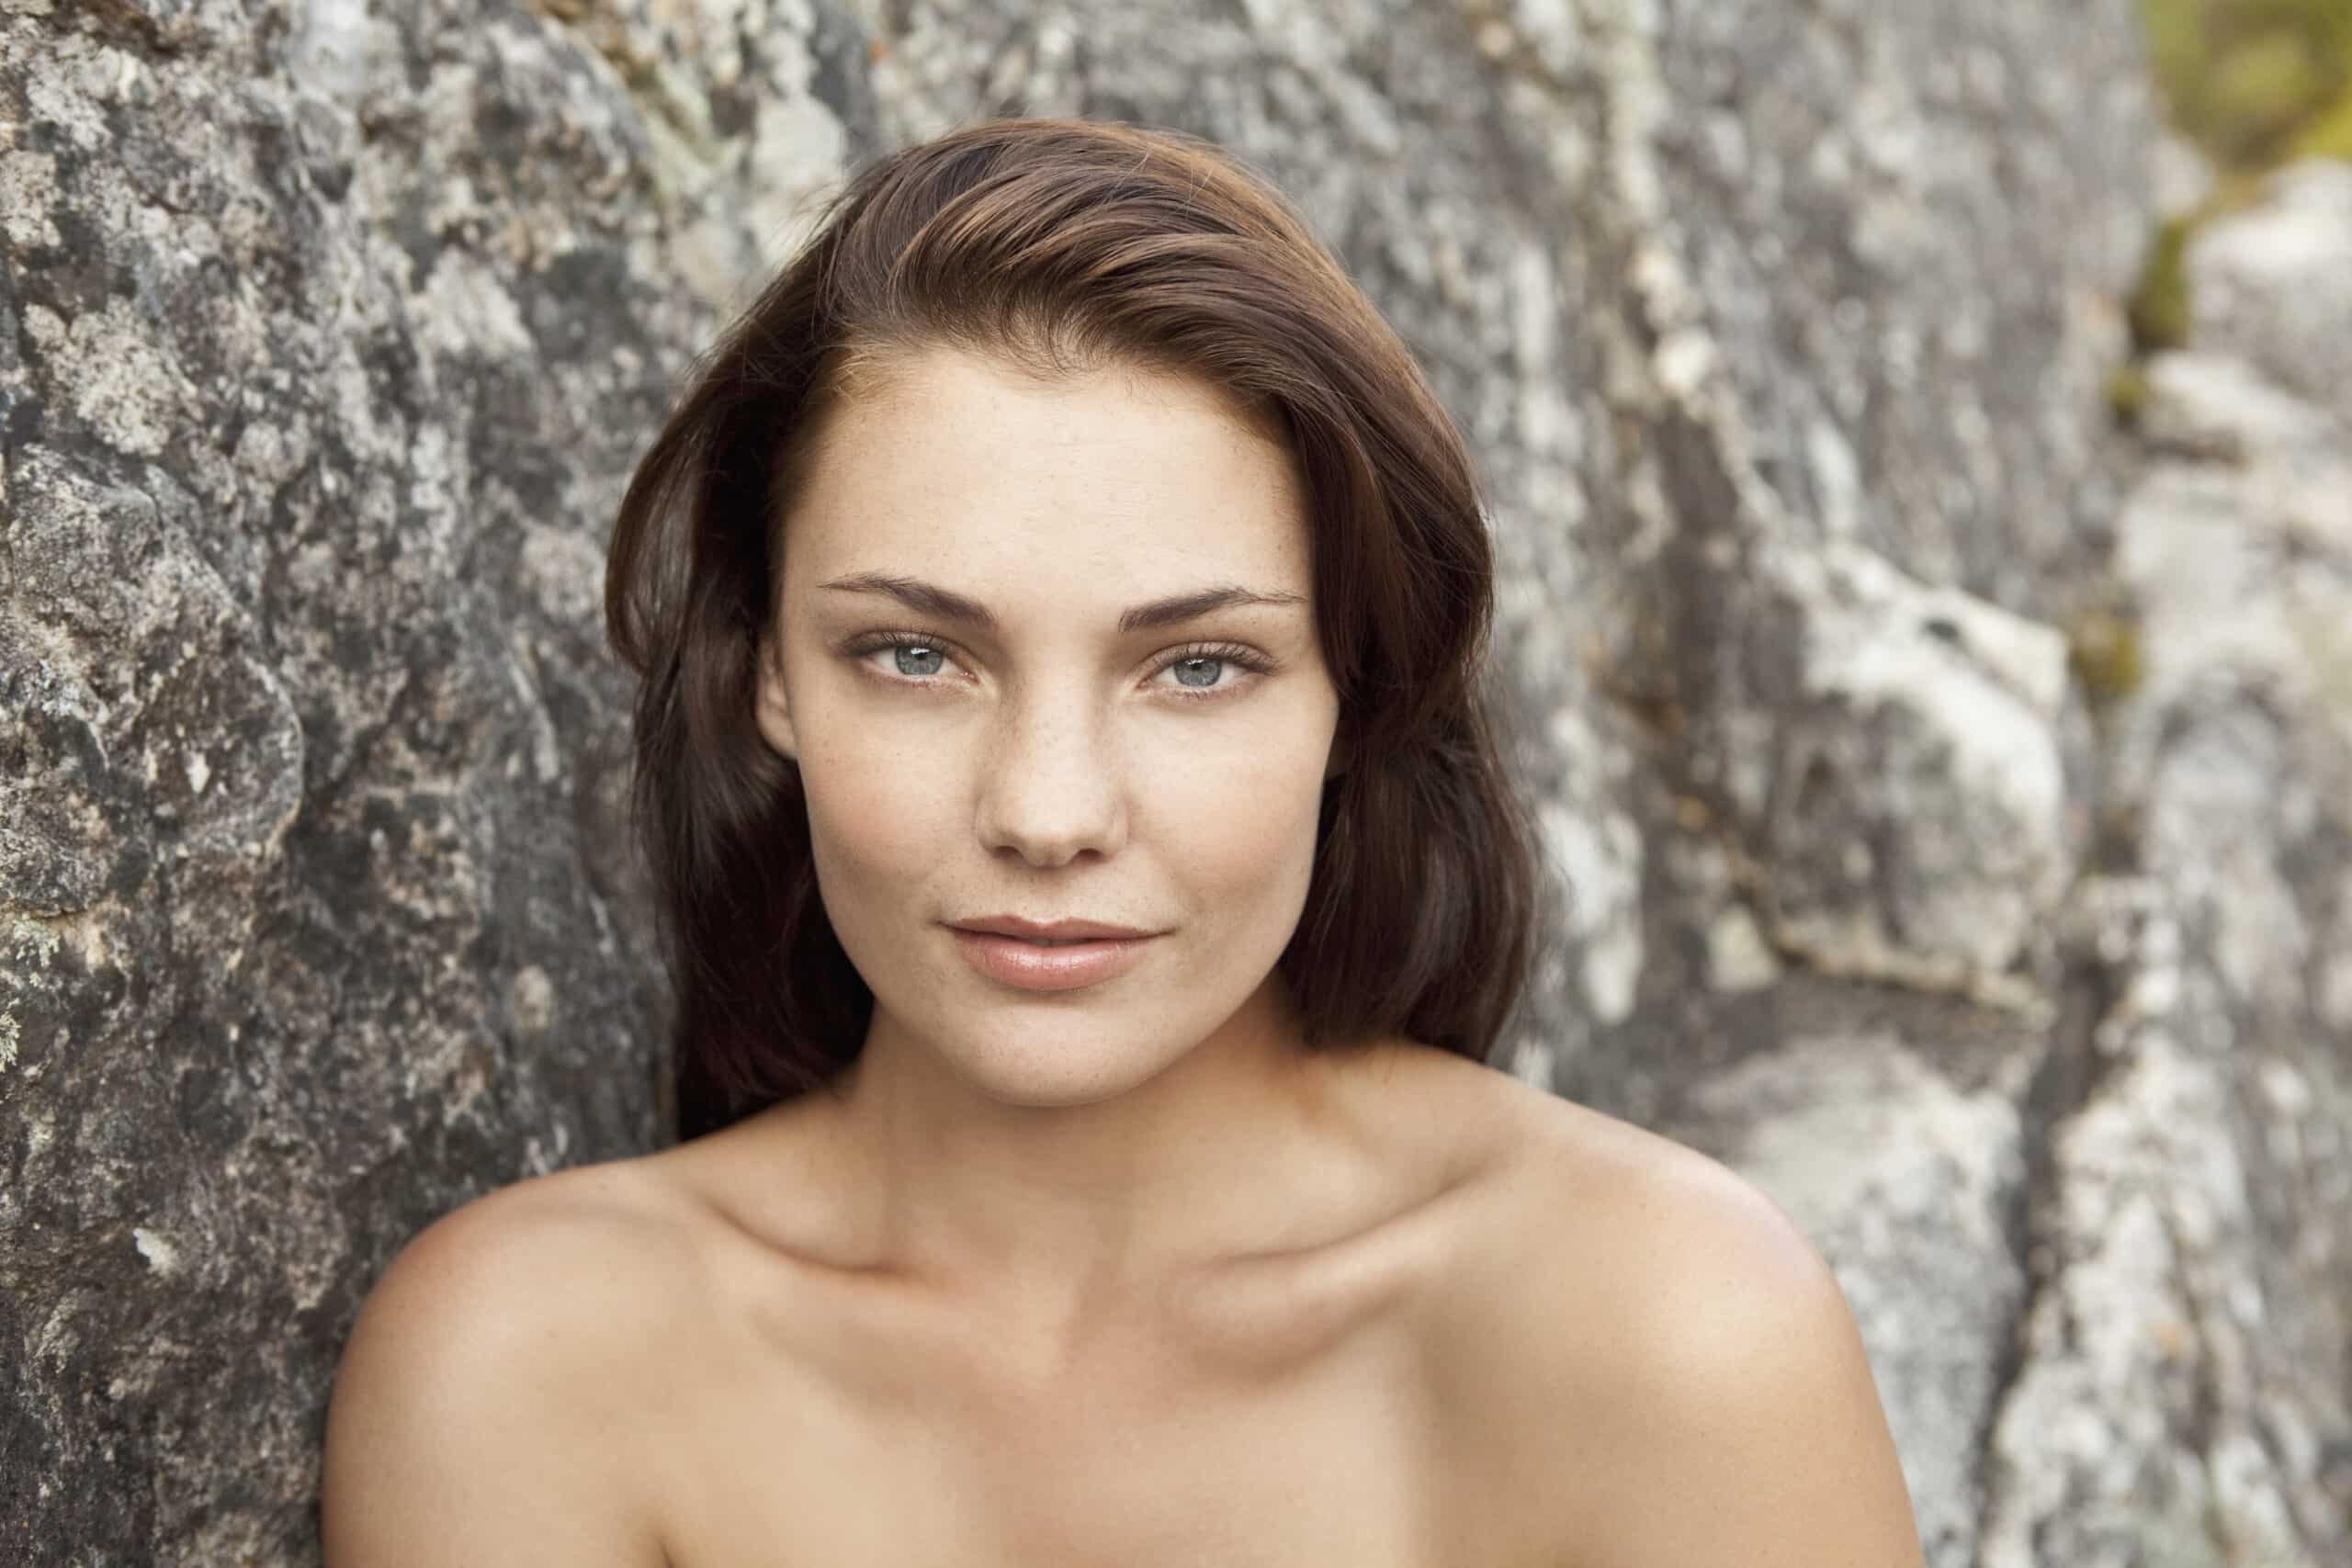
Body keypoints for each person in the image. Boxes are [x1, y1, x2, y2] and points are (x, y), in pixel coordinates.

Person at [321, 117, 1925, 1566]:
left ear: (1354, 695)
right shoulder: (528, 1369)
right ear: (768, 677)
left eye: (1199, 666)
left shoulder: (1666, 1332)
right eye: (916, 654)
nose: (1048, 813)